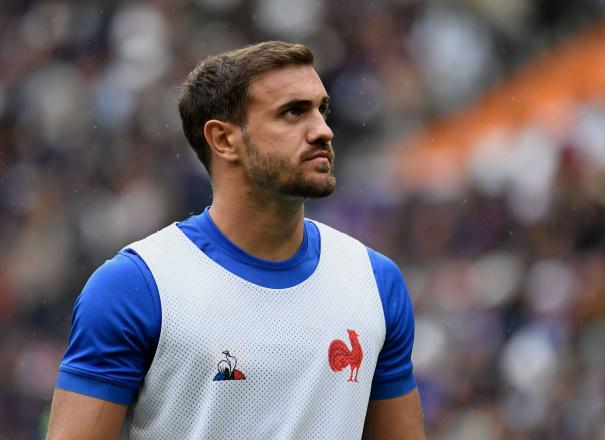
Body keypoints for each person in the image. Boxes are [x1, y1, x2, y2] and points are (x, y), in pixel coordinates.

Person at [47, 41, 425, 439]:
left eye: (321, 110)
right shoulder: (136, 288)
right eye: (293, 112)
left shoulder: (376, 283)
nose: (323, 131)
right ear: (224, 140)